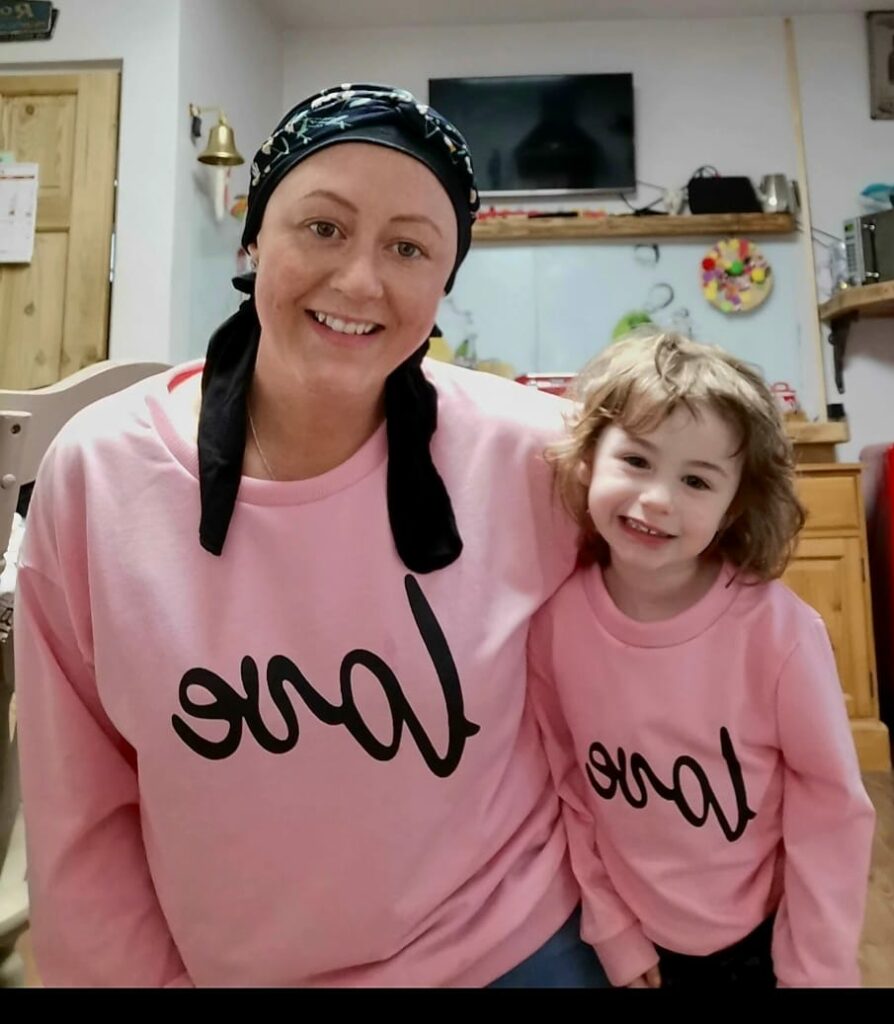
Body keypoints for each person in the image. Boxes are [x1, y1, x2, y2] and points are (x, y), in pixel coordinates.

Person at [14, 84, 609, 988]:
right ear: (254, 236)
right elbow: (80, 811)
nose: (361, 280)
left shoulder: (541, 458)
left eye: (409, 248)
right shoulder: (100, 476)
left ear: (444, 282)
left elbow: (669, 677)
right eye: (323, 228)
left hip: (510, 948)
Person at [529, 332, 876, 989]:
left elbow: (832, 811)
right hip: (633, 941)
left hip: (765, 941)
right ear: (587, 459)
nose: (659, 498)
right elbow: (567, 788)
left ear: (734, 503)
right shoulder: (553, 627)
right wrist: (614, 931)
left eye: (695, 479)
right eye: (635, 460)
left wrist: (817, 970)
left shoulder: (779, 632)